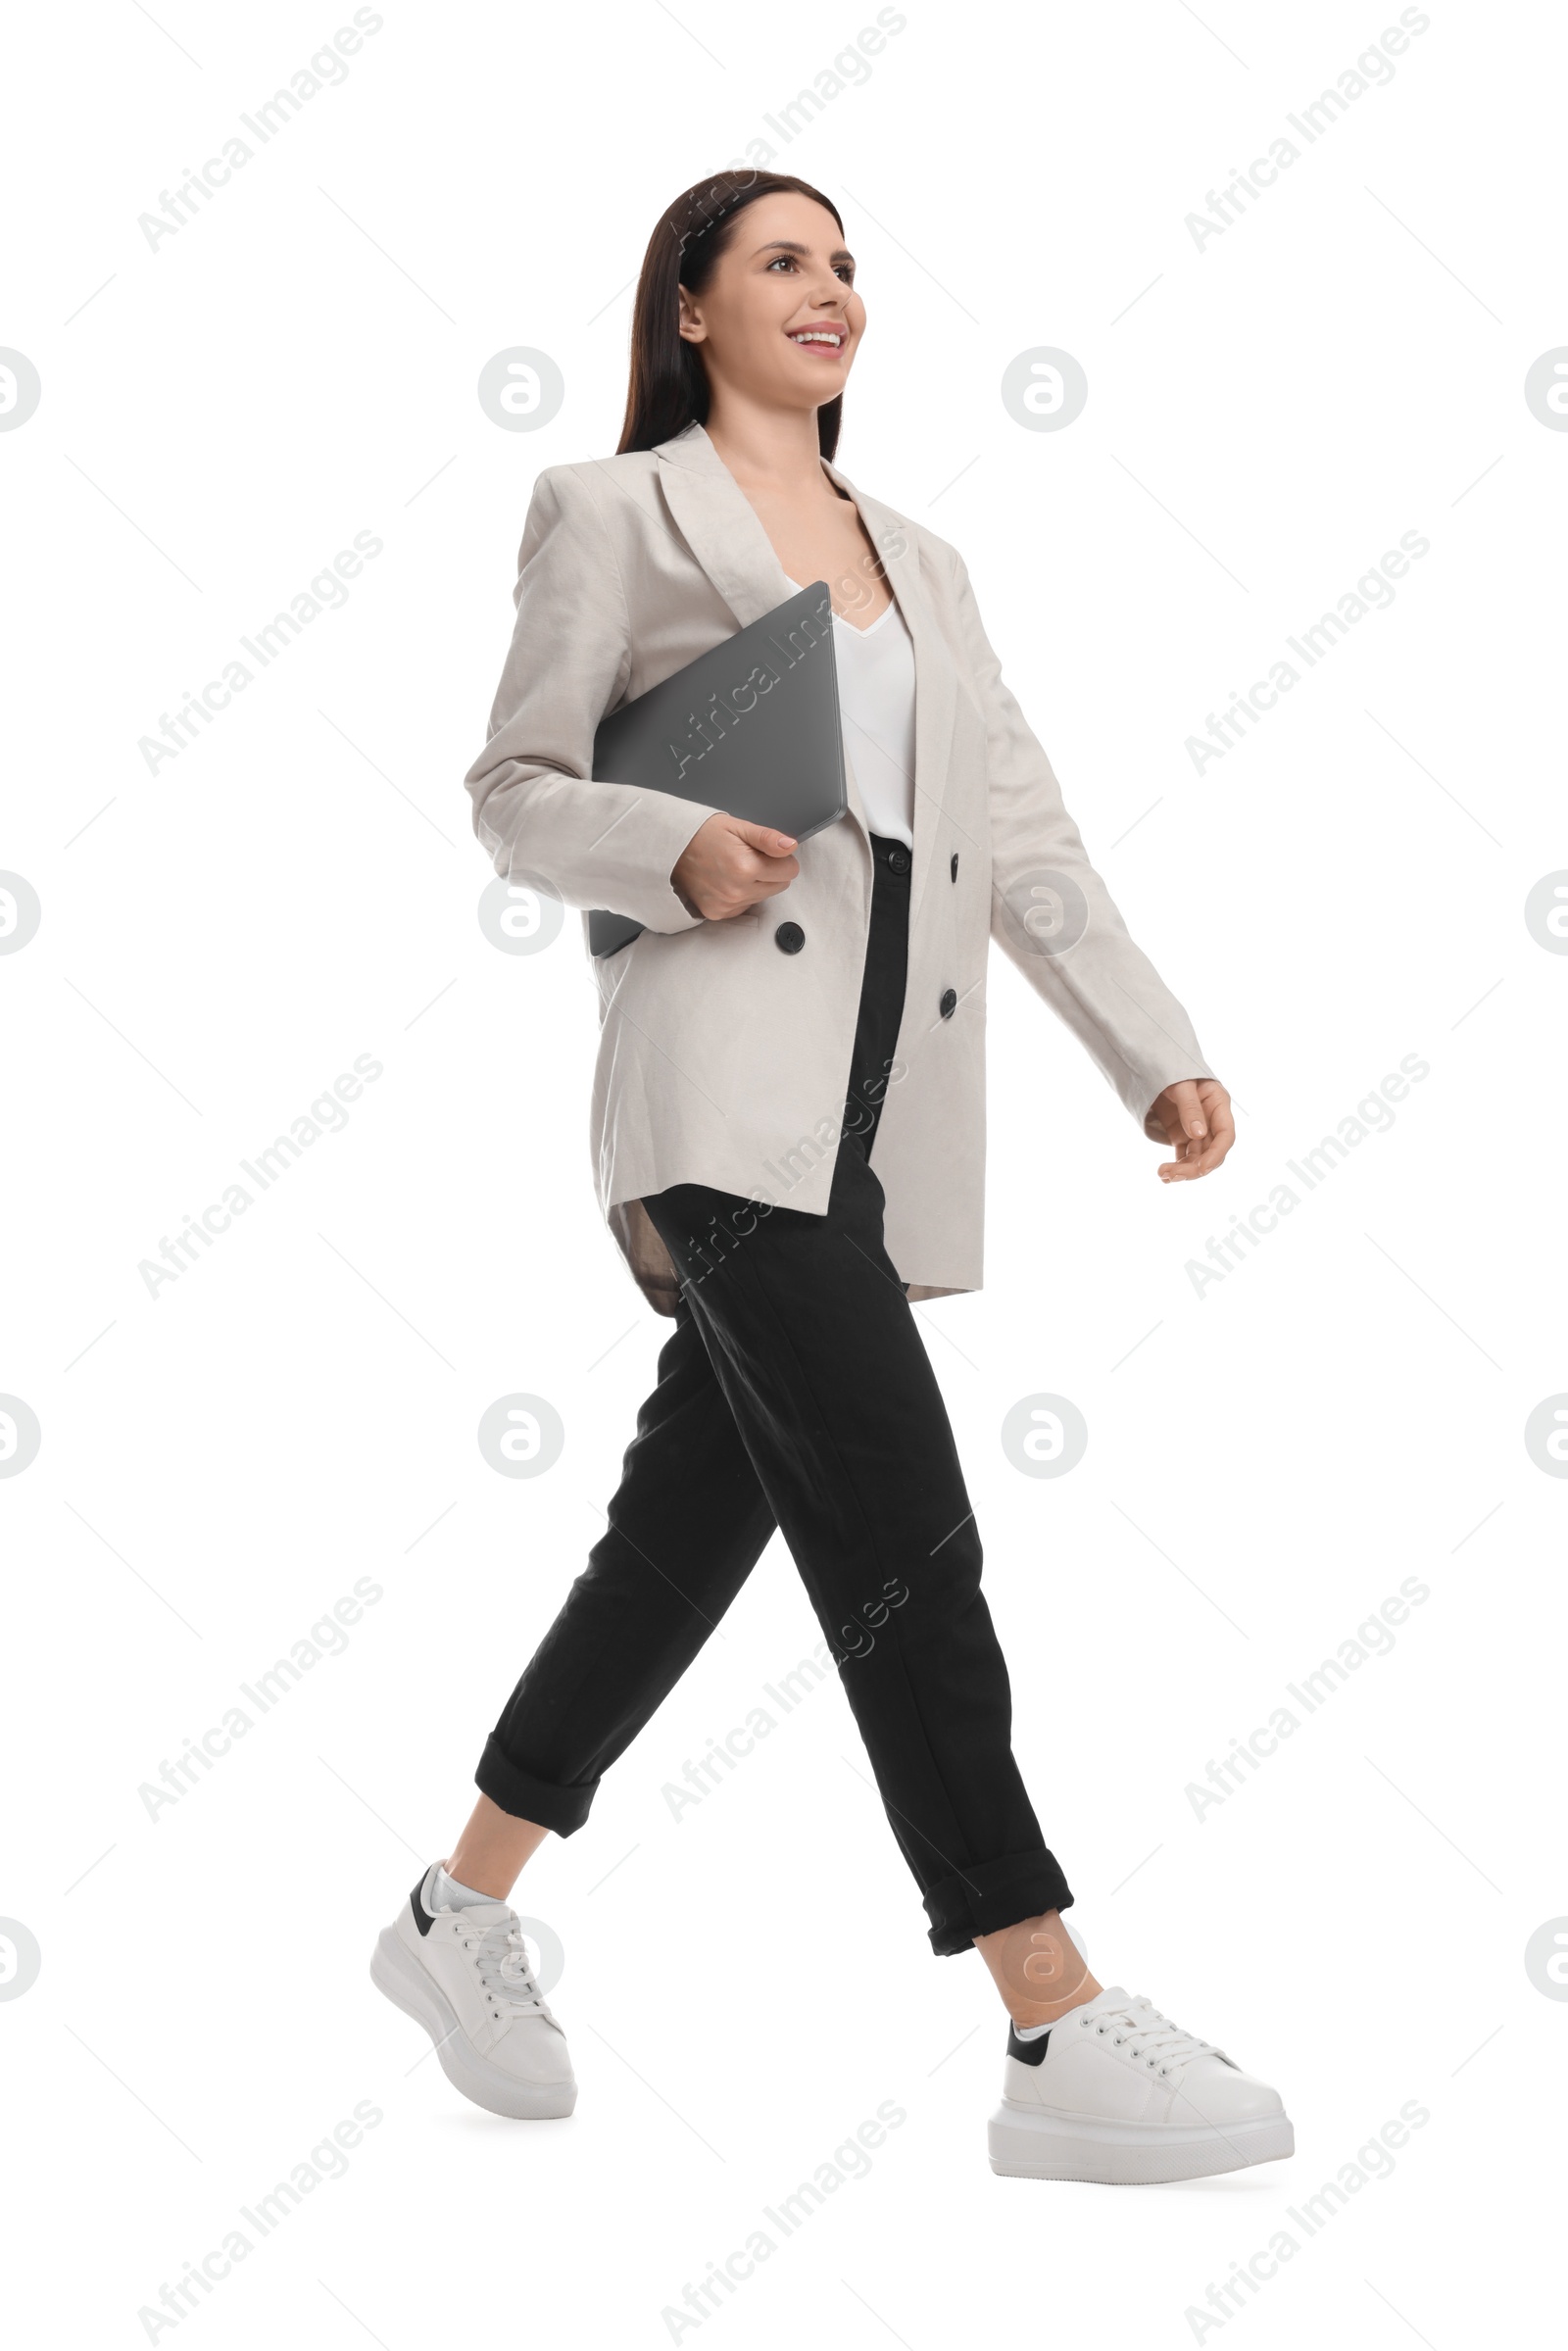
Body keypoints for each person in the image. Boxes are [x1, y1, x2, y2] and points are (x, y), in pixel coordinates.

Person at [369, 170, 1293, 2185]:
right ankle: (1045, 2011)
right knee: (904, 1522)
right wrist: (666, 848)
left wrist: (1155, 1043)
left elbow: (1023, 833)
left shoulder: (926, 565)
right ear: (687, 306)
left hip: (879, 1122)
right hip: (717, 1101)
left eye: (849, 264)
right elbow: (510, 792)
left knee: (676, 1540)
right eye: (781, 260)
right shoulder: (611, 513)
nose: (829, 291)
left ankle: (458, 1909)